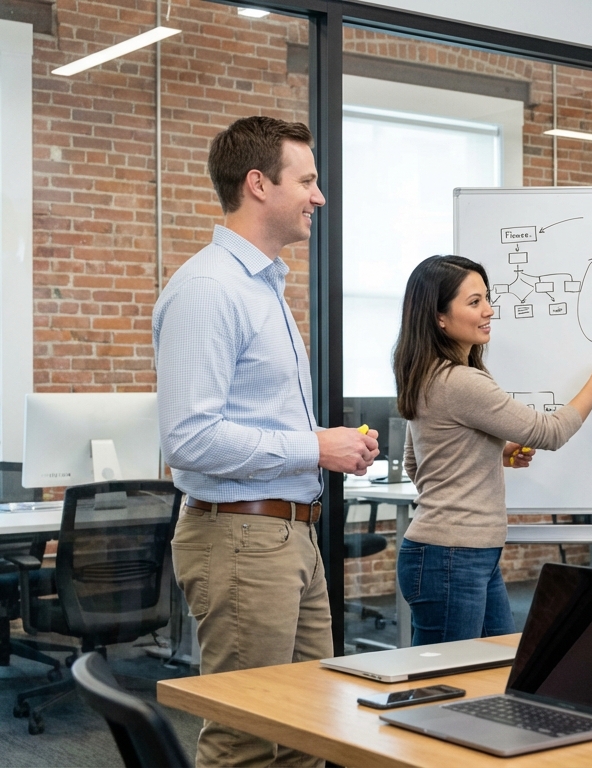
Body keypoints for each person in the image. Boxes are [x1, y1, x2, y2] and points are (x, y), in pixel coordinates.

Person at [154, 116, 379, 767]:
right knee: (245, 740)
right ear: (258, 183)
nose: (319, 196)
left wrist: (324, 446)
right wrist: (316, 448)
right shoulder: (209, 289)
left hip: (286, 534)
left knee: (307, 732)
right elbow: (190, 439)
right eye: (306, 181)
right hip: (241, 537)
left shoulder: (262, 286)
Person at [392, 255, 592, 645]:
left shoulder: (426, 374)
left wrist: (489, 453)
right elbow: (550, 432)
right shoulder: (461, 381)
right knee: (447, 675)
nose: (488, 310)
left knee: (495, 664)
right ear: (440, 318)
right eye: (474, 302)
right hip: (453, 555)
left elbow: (417, 462)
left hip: (458, 553)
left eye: (487, 298)